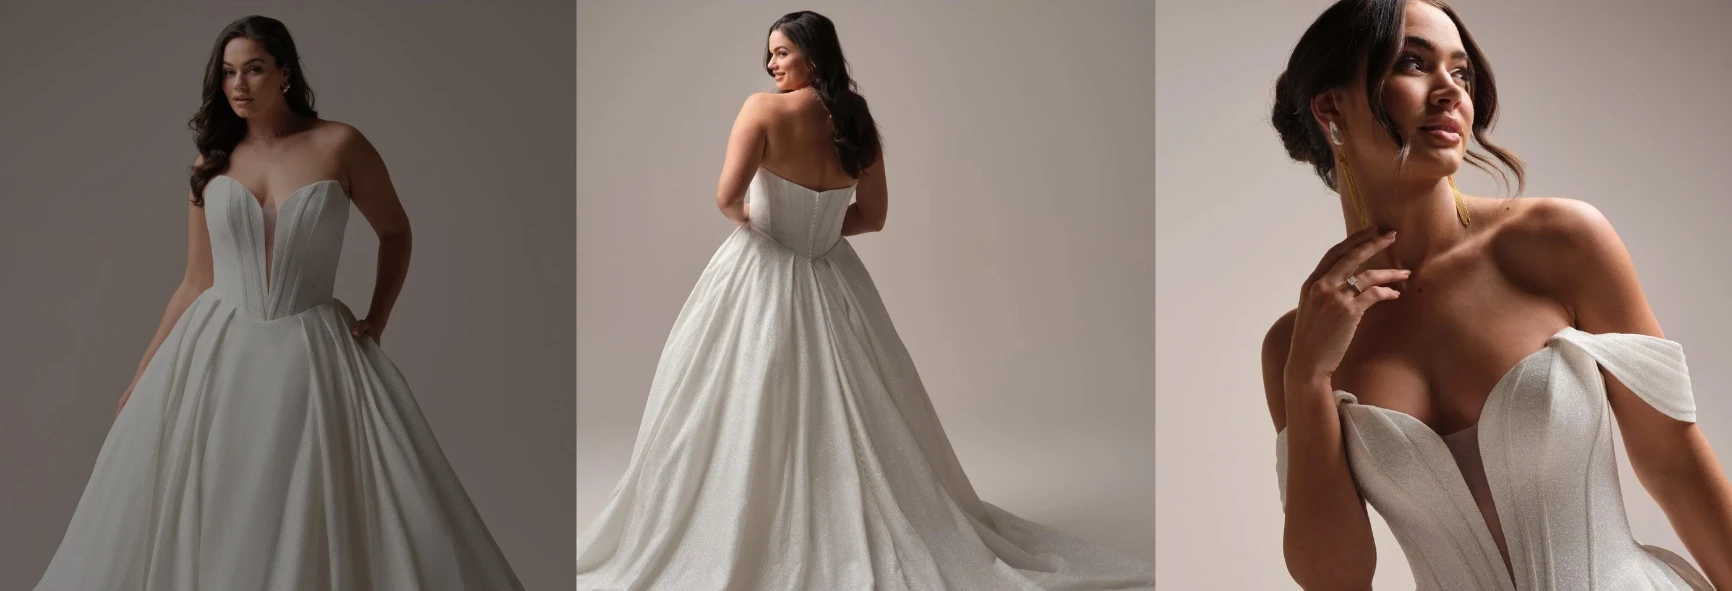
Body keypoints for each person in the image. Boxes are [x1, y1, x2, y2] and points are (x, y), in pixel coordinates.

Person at [572, 10, 1156, 591]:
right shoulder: (857, 121)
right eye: (769, 56)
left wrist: (775, 223)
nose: (772, 64)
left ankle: (753, 527)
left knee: (737, 401)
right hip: (833, 278)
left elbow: (727, 198)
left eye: (781, 52)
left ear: (814, 55)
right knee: (855, 409)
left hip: (760, 271)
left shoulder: (762, 110)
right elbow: (872, 217)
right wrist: (817, 231)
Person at [35, 16, 522, 590]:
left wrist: (378, 318)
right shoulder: (211, 164)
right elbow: (195, 281)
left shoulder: (340, 144)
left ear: (285, 74)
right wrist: (144, 372)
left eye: (255, 69)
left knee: (326, 501)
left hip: (314, 347)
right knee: (216, 499)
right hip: (217, 351)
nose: (239, 85)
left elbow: (396, 232)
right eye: (228, 73)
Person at [1264, 1, 1732, 589]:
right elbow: (1338, 578)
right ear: (1332, 107)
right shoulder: (1295, 345)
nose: (1450, 92)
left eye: (1460, 73)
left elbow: (1675, 465)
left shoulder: (1559, 242)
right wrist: (1306, 378)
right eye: (1413, 64)